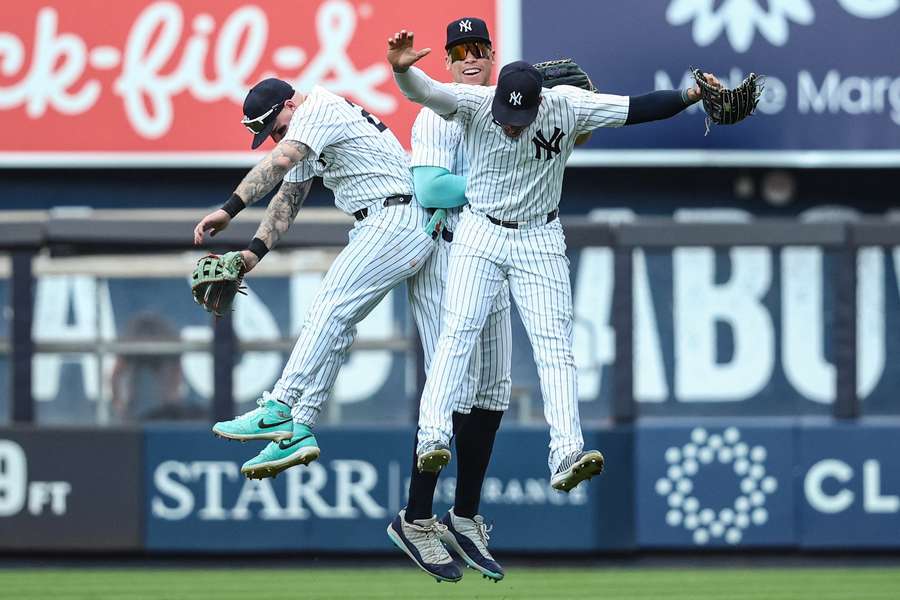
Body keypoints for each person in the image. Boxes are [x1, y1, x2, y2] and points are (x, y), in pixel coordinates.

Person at [386, 30, 721, 494]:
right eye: (505, 113)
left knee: (555, 348)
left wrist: (691, 95)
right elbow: (423, 90)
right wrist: (402, 68)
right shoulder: (475, 104)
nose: (510, 123)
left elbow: (639, 108)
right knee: (457, 333)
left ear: (540, 102)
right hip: (480, 231)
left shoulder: (567, 104)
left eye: (519, 116)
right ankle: (432, 437)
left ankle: (566, 452)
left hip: (539, 236)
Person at [193, 77, 435, 479]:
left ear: (291, 103)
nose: (277, 140)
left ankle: (280, 406)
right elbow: (289, 197)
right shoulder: (305, 129)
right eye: (269, 136)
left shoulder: (317, 109)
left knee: (328, 310)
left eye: (278, 129)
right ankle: (299, 429)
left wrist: (229, 209)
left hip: (395, 217)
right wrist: (252, 253)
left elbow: (281, 162)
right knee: (334, 324)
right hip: (389, 220)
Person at [387, 17, 510, 583]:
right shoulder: (438, 110)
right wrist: (498, 181)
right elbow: (433, 188)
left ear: (491, 54)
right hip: (443, 253)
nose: (467, 58)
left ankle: (463, 515)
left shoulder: (512, 110)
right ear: (446, 62)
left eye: (476, 49)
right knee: (449, 382)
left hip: (498, 253)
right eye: (458, 50)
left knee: (492, 389)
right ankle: (415, 518)